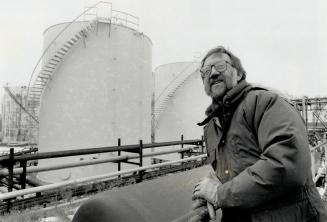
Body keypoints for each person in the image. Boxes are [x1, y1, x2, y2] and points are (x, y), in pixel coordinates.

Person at [191, 46, 327, 222]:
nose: (213, 73)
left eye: (221, 66)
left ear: (239, 74)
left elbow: (286, 165)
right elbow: (234, 174)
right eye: (206, 71)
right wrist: (210, 198)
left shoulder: (264, 103)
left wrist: (219, 194)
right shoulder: (211, 128)